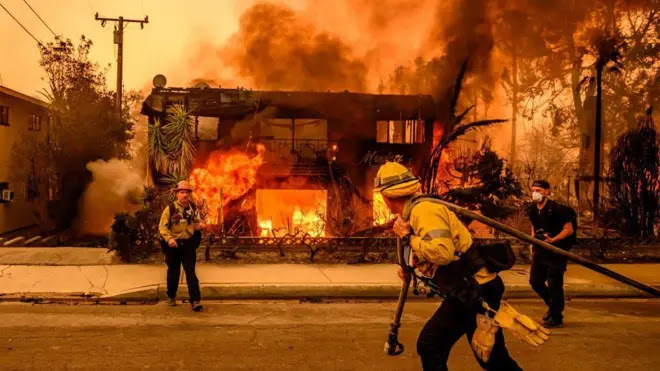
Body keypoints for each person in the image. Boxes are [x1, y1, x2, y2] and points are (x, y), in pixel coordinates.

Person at [375, 161, 523, 371]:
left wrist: (407, 237)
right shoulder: (413, 213)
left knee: (430, 345)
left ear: (386, 196)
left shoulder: (423, 211)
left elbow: (442, 252)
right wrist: (411, 267)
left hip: (473, 290)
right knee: (492, 358)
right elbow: (436, 251)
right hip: (474, 288)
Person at [527, 180, 576, 328]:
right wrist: (532, 242)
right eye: (534, 190)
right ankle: (553, 307)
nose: (536, 193)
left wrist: (553, 240)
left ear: (547, 192)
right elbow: (533, 226)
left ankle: (556, 317)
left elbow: (569, 229)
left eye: (539, 190)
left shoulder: (558, 209)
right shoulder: (532, 209)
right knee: (535, 281)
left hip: (557, 251)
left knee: (554, 283)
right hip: (540, 251)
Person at [159, 180, 207, 312]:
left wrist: (201, 226)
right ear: (177, 194)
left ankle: (195, 301)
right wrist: (169, 239)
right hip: (173, 245)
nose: (184, 195)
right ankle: (171, 297)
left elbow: (201, 222)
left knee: (190, 272)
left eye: (186, 192)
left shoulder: (193, 208)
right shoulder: (170, 209)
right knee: (173, 272)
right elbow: (162, 227)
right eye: (182, 192)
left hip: (188, 244)